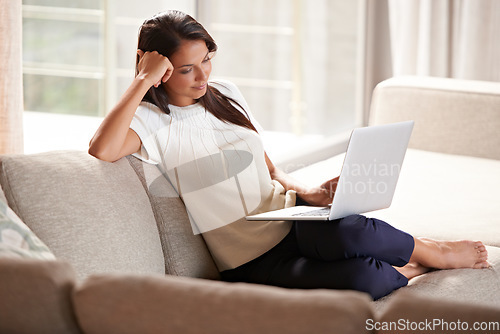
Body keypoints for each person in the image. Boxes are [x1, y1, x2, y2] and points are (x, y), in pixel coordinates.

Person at [89, 10, 490, 300]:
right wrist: (142, 79)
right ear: (157, 69)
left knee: (350, 229)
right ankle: (406, 267)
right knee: (362, 282)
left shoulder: (225, 94)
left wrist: (310, 194)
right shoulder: (151, 120)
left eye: (207, 59)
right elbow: (101, 149)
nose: (202, 76)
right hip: (252, 259)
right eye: (186, 69)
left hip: (288, 218)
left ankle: (432, 250)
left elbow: (269, 168)